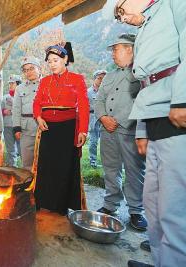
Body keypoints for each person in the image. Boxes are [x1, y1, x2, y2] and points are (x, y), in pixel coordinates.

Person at [103, 1, 186, 266]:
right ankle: (162, 260)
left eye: (121, 9)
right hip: (155, 117)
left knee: (174, 207)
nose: (123, 18)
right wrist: (142, 129)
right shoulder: (147, 24)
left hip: (175, 111)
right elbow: (146, 83)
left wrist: (182, 100)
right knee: (155, 203)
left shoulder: (175, 4)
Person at [94, 33, 147, 231]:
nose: (113, 54)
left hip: (130, 130)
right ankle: (110, 205)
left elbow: (143, 100)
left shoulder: (141, 72)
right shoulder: (109, 75)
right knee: (111, 169)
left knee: (134, 171)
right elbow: (99, 100)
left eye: (116, 49)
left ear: (130, 49)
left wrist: (120, 121)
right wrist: (103, 118)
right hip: (107, 131)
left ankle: (135, 210)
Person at [33, 44, 89, 215]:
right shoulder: (44, 81)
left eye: (55, 60)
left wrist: (83, 130)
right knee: (46, 165)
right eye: (49, 61)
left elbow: (84, 106)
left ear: (65, 60)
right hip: (47, 128)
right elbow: (37, 102)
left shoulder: (77, 79)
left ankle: (61, 205)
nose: (52, 64)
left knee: (64, 167)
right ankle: (42, 201)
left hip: (67, 127)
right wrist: (39, 117)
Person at [12, 56, 41, 170]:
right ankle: (28, 186)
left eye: (31, 68)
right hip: (26, 129)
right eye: (25, 70)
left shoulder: (48, 84)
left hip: (44, 128)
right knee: (27, 162)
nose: (28, 72)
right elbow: (16, 109)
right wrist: (17, 128)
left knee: (44, 160)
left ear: (39, 69)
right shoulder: (20, 88)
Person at [87, 69, 106, 168]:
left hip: (105, 119)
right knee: (93, 141)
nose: (101, 80)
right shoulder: (88, 92)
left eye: (104, 78)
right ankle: (92, 161)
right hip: (93, 119)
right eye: (99, 78)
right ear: (94, 79)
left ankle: (105, 162)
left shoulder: (107, 91)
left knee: (105, 142)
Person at [2, 74, 22, 167]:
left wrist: (13, 110)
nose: (10, 85)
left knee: (22, 149)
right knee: (10, 150)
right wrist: (4, 111)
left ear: (18, 84)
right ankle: (12, 169)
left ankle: (25, 171)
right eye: (9, 83)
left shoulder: (23, 96)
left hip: (20, 127)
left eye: (12, 83)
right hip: (8, 126)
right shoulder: (4, 97)